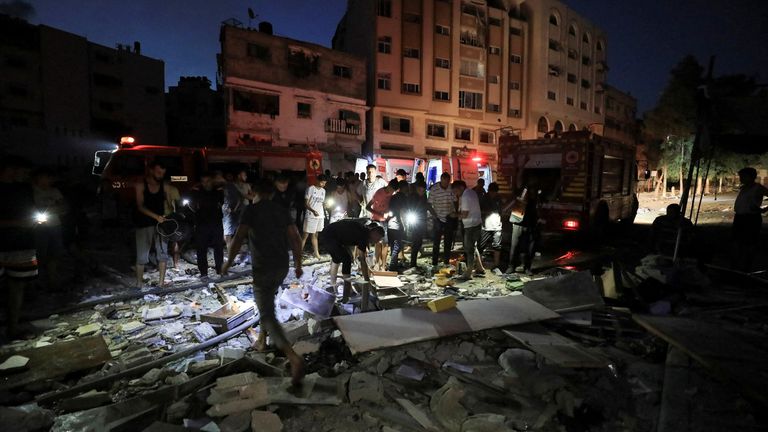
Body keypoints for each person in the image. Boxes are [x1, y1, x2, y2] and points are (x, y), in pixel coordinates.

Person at [221, 179, 305, 385]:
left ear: (252, 191)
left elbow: (238, 238)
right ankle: (262, 340)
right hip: (281, 267)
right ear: (273, 193)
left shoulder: (251, 211)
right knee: (267, 301)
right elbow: (295, 237)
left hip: (264, 268)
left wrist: (227, 263)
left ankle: (294, 358)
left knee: (267, 313)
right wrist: (298, 264)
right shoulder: (281, 210)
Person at [0, 156, 38, 339]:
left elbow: (30, 210)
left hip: (22, 244)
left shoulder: (24, 188)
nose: (21, 174)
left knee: (17, 287)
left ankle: (13, 327)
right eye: (16, 170)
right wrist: (18, 223)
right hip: (6, 242)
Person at [321, 220, 384, 300]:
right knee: (346, 259)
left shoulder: (364, 231)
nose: (377, 242)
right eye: (378, 239)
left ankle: (333, 285)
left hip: (328, 233)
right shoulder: (363, 236)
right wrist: (367, 281)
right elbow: (362, 260)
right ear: (374, 234)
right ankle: (346, 295)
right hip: (329, 236)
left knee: (337, 258)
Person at [134, 160, 170, 288]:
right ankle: (139, 284)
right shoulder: (141, 185)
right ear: (151, 170)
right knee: (142, 255)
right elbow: (140, 206)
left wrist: (167, 214)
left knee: (163, 253)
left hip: (160, 225)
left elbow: (168, 203)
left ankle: (161, 284)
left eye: (163, 173)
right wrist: (156, 217)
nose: (161, 175)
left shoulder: (164, 185)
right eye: (158, 172)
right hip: (144, 223)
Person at [31, 168, 66, 291]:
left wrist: (56, 208)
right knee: (40, 253)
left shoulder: (55, 191)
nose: (49, 180)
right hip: (40, 227)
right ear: (38, 178)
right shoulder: (33, 191)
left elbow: (63, 206)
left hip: (55, 225)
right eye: (46, 177)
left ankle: (52, 279)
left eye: (49, 178)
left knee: (54, 253)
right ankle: (38, 280)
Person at [731, 167, 768, 272]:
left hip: (751, 219)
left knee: (749, 243)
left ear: (751, 177)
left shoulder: (758, 188)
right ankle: (736, 266)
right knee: (737, 242)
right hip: (739, 218)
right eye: (740, 176)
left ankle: (746, 267)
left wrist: (764, 209)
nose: (741, 178)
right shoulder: (743, 188)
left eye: (743, 176)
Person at [191, 172, 225, 278]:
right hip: (202, 224)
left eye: (208, 181)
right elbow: (192, 206)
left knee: (219, 247)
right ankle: (203, 273)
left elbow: (221, 203)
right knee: (201, 249)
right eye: (203, 181)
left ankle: (220, 269)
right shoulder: (197, 192)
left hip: (216, 223)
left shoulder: (218, 191)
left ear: (212, 181)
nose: (205, 184)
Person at [453, 181, 485, 280]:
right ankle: (480, 268)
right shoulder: (472, 192)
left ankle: (468, 272)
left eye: (456, 191)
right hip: (477, 223)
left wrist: (454, 215)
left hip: (470, 226)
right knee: (473, 246)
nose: (456, 194)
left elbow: (465, 214)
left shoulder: (466, 196)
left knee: (469, 249)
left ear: (461, 187)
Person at [506, 186, 540, 274]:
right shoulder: (520, 194)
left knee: (529, 248)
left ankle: (527, 268)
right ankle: (512, 266)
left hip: (530, 225)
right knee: (515, 246)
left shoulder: (535, 199)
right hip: (518, 224)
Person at [367, 179, 399, 270]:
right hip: (376, 220)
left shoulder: (392, 195)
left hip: (385, 221)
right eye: (391, 189)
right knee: (378, 242)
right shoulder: (379, 193)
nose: (392, 192)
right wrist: (379, 214)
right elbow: (368, 207)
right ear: (388, 185)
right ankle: (377, 263)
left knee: (385, 243)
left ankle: (384, 265)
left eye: (393, 191)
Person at [428, 172, 458, 267]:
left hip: (449, 218)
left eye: (447, 182)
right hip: (438, 218)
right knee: (436, 242)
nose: (446, 184)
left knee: (448, 241)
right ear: (441, 180)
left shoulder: (451, 188)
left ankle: (446, 262)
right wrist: (435, 216)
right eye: (444, 182)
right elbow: (429, 204)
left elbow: (455, 201)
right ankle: (434, 262)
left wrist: (456, 213)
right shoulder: (434, 189)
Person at [223, 169, 255, 253]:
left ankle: (237, 249)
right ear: (239, 176)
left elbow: (252, 197)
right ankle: (231, 250)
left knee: (241, 229)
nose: (246, 177)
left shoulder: (247, 185)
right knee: (230, 230)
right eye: (244, 175)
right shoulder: (232, 185)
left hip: (244, 209)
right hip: (233, 209)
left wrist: (243, 195)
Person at [301, 174, 328, 259]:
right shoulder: (310, 189)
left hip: (320, 215)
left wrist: (325, 206)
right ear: (317, 180)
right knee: (305, 235)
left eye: (325, 183)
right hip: (310, 215)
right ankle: (298, 253)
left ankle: (316, 253)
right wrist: (313, 211)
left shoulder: (323, 191)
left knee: (315, 235)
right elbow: (306, 204)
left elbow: (322, 203)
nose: (323, 184)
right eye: (322, 182)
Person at [405, 180, 431, 269]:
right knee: (415, 243)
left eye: (423, 191)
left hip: (422, 221)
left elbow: (426, 206)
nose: (422, 192)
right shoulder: (412, 196)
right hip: (415, 221)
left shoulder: (424, 196)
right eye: (420, 190)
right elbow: (408, 208)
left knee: (419, 242)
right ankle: (413, 263)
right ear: (417, 189)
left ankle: (414, 263)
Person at [478, 182, 503, 270]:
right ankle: (479, 265)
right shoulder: (483, 198)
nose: (493, 194)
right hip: (486, 226)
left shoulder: (499, 198)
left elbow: (502, 210)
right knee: (481, 246)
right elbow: (478, 211)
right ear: (488, 191)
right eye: (491, 192)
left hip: (497, 226)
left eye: (495, 192)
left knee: (497, 246)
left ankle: (496, 265)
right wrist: (487, 212)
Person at [387, 180, 410, 271]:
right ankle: (393, 266)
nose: (408, 189)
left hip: (390, 224)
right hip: (397, 224)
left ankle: (393, 264)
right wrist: (404, 225)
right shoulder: (403, 198)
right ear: (403, 188)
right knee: (397, 246)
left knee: (394, 246)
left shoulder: (393, 197)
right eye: (406, 187)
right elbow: (402, 211)